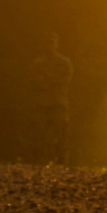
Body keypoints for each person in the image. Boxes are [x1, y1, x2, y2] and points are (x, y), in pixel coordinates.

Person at [30, 33, 74, 164]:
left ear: (57, 44)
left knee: (61, 134)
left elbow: (64, 80)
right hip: (42, 104)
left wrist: (48, 78)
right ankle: (39, 162)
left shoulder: (64, 62)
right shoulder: (38, 63)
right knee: (40, 135)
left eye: (52, 42)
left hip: (58, 103)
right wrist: (50, 80)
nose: (49, 45)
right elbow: (35, 81)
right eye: (47, 42)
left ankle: (62, 162)